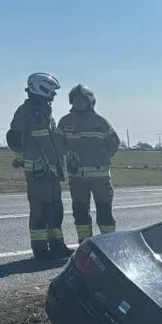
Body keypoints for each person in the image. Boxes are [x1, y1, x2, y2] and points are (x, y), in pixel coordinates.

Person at [7, 72, 69, 260]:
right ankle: (40, 248)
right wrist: (22, 158)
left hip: (51, 169)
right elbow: (13, 137)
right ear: (41, 88)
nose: (54, 95)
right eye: (52, 91)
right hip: (38, 171)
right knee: (40, 210)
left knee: (56, 209)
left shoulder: (44, 110)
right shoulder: (25, 111)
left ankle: (57, 244)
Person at [59, 84, 121, 242]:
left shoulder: (100, 122)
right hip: (76, 177)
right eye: (74, 100)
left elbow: (114, 143)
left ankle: (108, 243)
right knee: (80, 211)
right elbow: (58, 144)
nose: (77, 103)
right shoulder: (65, 121)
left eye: (81, 99)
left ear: (90, 101)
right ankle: (84, 243)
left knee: (104, 210)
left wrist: (102, 156)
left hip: (100, 177)